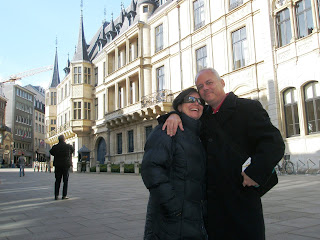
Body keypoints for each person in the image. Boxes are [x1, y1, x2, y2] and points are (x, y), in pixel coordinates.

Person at [162, 68, 285, 240]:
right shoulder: (202, 115)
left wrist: (256, 172)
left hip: (241, 199)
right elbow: (186, 112)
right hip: (212, 207)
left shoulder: (247, 108)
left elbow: (274, 143)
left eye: (209, 82)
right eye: (200, 86)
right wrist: (174, 114)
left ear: (222, 82)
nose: (205, 88)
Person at [141, 88, 208, 240]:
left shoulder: (199, 135)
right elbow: (151, 169)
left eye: (200, 101)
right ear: (179, 106)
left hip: (195, 217)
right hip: (171, 218)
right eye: (190, 100)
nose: (196, 103)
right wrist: (173, 207)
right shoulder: (167, 129)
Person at [49, 134, 74, 200]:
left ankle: (56, 195)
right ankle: (64, 195)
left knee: (57, 180)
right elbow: (72, 150)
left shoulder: (55, 147)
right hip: (66, 165)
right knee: (65, 180)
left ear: (58, 140)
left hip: (58, 165)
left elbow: (51, 152)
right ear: (64, 139)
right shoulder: (68, 146)